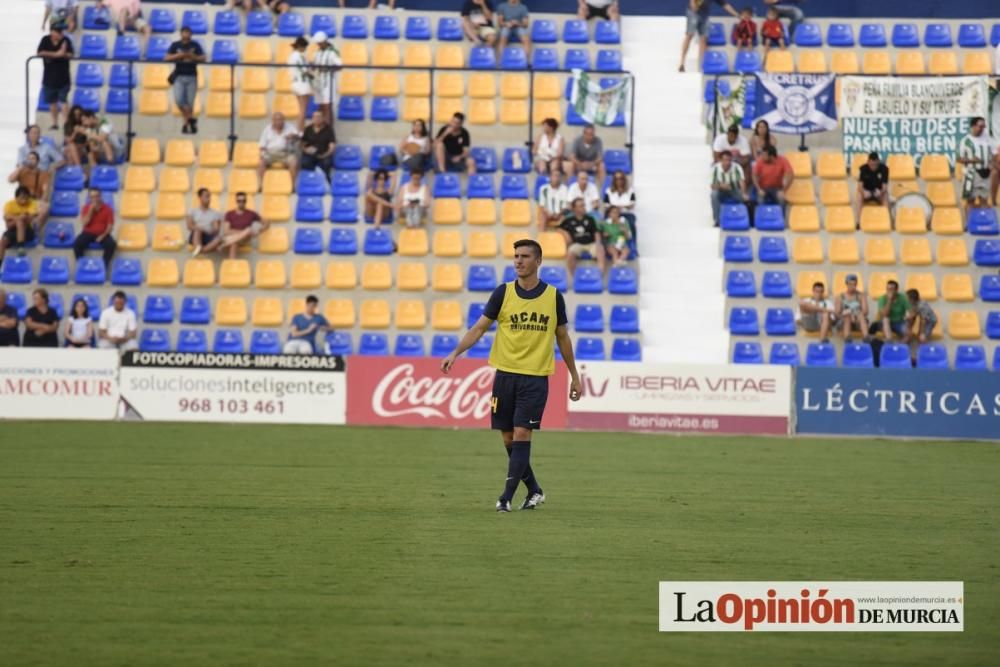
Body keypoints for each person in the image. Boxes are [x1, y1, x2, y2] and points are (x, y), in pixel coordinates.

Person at [440, 238, 582, 513]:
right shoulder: (503, 293)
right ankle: (535, 490)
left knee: (521, 432)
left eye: (525, 256)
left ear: (538, 261)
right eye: (516, 256)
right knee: (508, 439)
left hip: (534, 378)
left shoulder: (553, 297)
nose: (518, 260)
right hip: (504, 376)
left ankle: (505, 497)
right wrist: (455, 352)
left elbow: (563, 338)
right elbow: (479, 328)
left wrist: (574, 375)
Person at [165, 25, 205, 135]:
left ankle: (186, 125)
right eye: (184, 32)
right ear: (181, 33)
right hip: (179, 76)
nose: (186, 34)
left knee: (190, 103)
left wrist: (193, 57)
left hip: (192, 76)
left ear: (191, 34)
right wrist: (180, 55)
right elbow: (166, 57)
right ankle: (191, 119)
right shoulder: (175, 45)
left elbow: (203, 58)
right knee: (179, 100)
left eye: (188, 32)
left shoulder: (195, 45)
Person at [679, 0, 739, 72]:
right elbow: (692, 2)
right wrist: (693, 5)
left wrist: (736, 14)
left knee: (704, 38)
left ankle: (701, 66)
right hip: (693, 13)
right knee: (689, 35)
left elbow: (725, 5)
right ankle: (682, 62)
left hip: (704, 15)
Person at [37, 22, 74, 131]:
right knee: (51, 102)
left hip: (63, 78)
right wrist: (57, 54)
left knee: (63, 101)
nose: (61, 33)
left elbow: (70, 54)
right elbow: (40, 52)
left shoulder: (66, 41)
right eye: (58, 31)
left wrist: (61, 54)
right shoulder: (45, 40)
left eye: (61, 31)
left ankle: (67, 124)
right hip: (49, 78)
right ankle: (54, 123)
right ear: (52, 31)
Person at [559, 198, 606, 275]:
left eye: (584, 205)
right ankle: (573, 278)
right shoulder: (569, 220)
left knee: (600, 250)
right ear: (574, 208)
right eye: (581, 206)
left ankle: (599, 276)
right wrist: (565, 233)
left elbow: (596, 232)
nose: (584, 207)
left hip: (591, 244)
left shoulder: (590, 219)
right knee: (570, 254)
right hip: (577, 244)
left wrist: (598, 243)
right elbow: (558, 228)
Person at [957, 116, 994, 214]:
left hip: (986, 173)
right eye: (980, 126)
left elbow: (993, 154)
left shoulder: (987, 139)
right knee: (971, 200)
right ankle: (969, 223)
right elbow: (959, 158)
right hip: (972, 174)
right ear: (973, 126)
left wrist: (992, 164)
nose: (982, 129)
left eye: (983, 126)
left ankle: (983, 223)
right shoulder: (966, 141)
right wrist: (971, 160)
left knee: (984, 199)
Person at [74, 188, 116, 267]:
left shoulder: (108, 209)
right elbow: (84, 223)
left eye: (97, 196)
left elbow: (110, 226)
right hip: (88, 233)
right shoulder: (86, 208)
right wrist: (91, 210)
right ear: (90, 198)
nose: (95, 199)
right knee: (77, 243)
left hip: (103, 233)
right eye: (92, 197)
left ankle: (103, 266)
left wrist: (102, 236)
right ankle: (82, 266)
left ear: (100, 196)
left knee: (111, 244)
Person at [8, 152, 52, 229]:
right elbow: (10, 180)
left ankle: (35, 226)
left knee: (46, 207)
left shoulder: (44, 174)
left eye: (33, 158)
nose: (30, 160)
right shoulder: (22, 172)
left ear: (37, 161)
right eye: (28, 158)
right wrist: (20, 168)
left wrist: (42, 202)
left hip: (34, 201)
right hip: (22, 200)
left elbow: (45, 192)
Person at [219, 192, 268, 260]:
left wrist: (260, 230)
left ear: (246, 201)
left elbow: (266, 222)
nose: (241, 203)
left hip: (245, 239)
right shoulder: (229, 214)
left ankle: (225, 244)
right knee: (235, 242)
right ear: (236, 201)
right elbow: (226, 231)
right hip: (232, 237)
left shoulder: (251, 213)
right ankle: (231, 265)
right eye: (239, 201)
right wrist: (244, 232)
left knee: (249, 229)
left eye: (243, 201)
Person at [257, 112, 299, 190]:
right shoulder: (267, 129)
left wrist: (293, 136)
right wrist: (263, 154)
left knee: (294, 162)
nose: (279, 121)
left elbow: (299, 136)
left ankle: (293, 186)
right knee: (261, 162)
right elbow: (262, 145)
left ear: (284, 120)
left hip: (286, 153)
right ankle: (262, 185)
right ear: (273, 120)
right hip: (271, 153)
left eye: (281, 119)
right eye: (277, 119)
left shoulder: (290, 127)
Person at [1, 187, 42, 262]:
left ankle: (21, 246)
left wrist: (15, 218)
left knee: (20, 222)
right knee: (3, 241)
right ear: (16, 198)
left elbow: (31, 217)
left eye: (27, 198)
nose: (25, 200)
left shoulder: (32, 203)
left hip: (28, 231)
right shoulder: (9, 204)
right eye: (22, 198)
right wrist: (18, 218)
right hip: (13, 230)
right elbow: (6, 217)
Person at [311, 31, 342, 127]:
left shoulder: (333, 52)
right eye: (317, 43)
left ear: (325, 41)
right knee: (321, 107)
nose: (318, 45)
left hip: (329, 82)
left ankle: (328, 132)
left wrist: (326, 69)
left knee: (328, 106)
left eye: (320, 43)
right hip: (319, 82)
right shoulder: (317, 52)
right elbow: (314, 66)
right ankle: (321, 130)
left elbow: (339, 66)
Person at [710, 150, 748, 226]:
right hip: (720, 190)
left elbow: (741, 181)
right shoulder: (715, 168)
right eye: (725, 160)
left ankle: (742, 219)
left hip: (734, 189)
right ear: (721, 160)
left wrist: (744, 193)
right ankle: (717, 220)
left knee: (743, 197)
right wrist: (721, 186)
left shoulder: (737, 167)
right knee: (713, 195)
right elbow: (712, 185)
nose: (728, 162)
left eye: (729, 160)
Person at [752, 145, 794, 211]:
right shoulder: (760, 161)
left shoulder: (782, 160)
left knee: (781, 198)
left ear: (771, 156)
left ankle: (781, 218)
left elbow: (791, 175)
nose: (762, 157)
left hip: (777, 188)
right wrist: (759, 189)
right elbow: (754, 175)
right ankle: (761, 219)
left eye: (764, 155)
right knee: (760, 199)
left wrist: (783, 190)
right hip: (763, 188)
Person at [299, 110, 335, 181]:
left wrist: (325, 155)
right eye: (315, 117)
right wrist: (305, 150)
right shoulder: (308, 129)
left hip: (323, 154)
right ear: (312, 118)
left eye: (319, 117)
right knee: (304, 162)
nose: (317, 119)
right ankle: (311, 179)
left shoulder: (329, 130)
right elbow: (301, 143)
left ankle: (326, 181)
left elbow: (332, 146)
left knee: (326, 163)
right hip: (310, 154)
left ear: (323, 118)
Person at [186, 187, 223, 257]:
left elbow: (216, 230)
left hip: (208, 236)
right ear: (200, 198)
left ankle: (200, 250)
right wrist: (200, 228)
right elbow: (189, 226)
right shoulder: (192, 211)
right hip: (196, 235)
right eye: (206, 196)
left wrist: (215, 228)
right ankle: (201, 248)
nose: (209, 199)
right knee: (198, 230)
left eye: (209, 196)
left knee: (219, 239)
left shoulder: (215, 213)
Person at [287, 36, 312, 133]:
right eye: (305, 47)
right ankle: (300, 130)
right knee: (303, 110)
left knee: (301, 109)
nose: (305, 49)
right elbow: (304, 70)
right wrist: (313, 75)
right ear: (301, 46)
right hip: (302, 84)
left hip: (294, 83)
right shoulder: (299, 56)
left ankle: (300, 129)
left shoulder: (291, 56)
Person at [834, 274, 869, 341]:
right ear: (846, 284)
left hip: (857, 320)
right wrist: (849, 315)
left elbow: (865, 311)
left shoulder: (861, 296)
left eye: (854, 284)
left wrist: (855, 316)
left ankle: (866, 338)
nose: (852, 286)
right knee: (847, 317)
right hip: (844, 321)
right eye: (850, 284)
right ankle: (848, 339)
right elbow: (837, 313)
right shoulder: (839, 297)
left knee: (861, 316)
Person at [856, 151, 889, 222]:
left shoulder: (884, 169)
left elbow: (885, 187)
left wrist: (881, 192)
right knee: (859, 195)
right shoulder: (863, 169)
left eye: (875, 165)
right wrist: (863, 192)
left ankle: (886, 221)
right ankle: (859, 222)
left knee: (885, 195)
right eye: (871, 164)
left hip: (878, 192)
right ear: (868, 162)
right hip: (867, 192)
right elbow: (860, 186)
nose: (873, 167)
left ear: (878, 162)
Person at [536, 167, 568, 232]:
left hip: (560, 214)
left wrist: (558, 214)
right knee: (542, 215)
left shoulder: (564, 189)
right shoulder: (544, 188)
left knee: (566, 216)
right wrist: (548, 213)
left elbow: (565, 205)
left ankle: (560, 239)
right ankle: (541, 235)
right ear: (550, 177)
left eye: (559, 176)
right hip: (547, 213)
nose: (557, 178)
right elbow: (542, 205)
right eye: (555, 175)